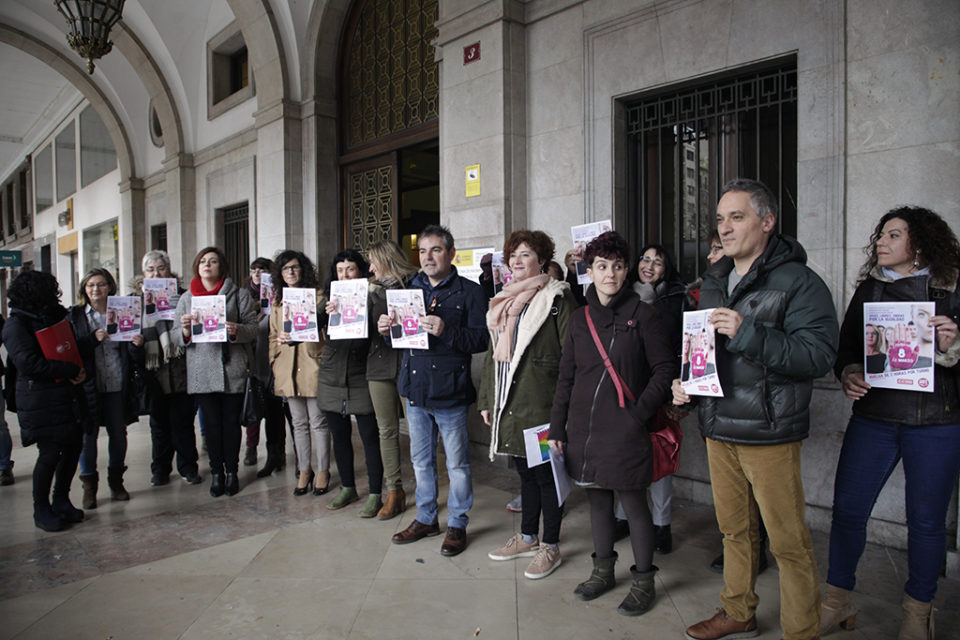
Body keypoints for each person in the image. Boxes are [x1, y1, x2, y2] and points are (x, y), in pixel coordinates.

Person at [672, 178, 838, 640]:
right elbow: (701, 351)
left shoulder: (799, 282)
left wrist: (748, 333)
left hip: (769, 431)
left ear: (767, 222)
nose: (725, 228)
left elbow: (819, 356)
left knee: (787, 542)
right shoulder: (715, 280)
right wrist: (686, 383)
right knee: (734, 532)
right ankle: (737, 610)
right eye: (720, 219)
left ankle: (801, 630)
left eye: (737, 217)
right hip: (718, 426)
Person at [821, 206, 960, 639]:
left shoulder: (952, 289)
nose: (880, 242)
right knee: (847, 512)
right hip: (875, 417)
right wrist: (847, 374)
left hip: (936, 421)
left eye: (893, 235)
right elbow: (844, 350)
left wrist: (955, 342)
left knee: (925, 522)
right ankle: (836, 602)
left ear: (919, 244)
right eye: (880, 234)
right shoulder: (870, 290)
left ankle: (918, 613)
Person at [548, 231, 674, 616]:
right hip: (584, 430)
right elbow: (566, 377)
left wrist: (638, 414)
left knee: (635, 506)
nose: (610, 275)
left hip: (627, 431)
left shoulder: (645, 315)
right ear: (590, 270)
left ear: (625, 270)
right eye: (602, 266)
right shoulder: (580, 319)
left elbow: (664, 370)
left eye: (618, 266)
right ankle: (603, 571)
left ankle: (643, 580)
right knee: (598, 502)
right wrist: (557, 429)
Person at [380, 224, 488, 556]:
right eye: (423, 251)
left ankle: (457, 522)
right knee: (420, 460)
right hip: (414, 387)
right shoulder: (408, 290)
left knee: (456, 463)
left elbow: (482, 340)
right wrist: (386, 330)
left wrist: (446, 329)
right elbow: (400, 340)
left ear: (451, 254)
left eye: (436, 250)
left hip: (450, 391)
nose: (428, 257)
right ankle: (426, 518)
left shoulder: (469, 292)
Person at [479, 230, 576, 580]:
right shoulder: (504, 301)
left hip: (542, 406)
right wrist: (488, 399)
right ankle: (527, 536)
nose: (517, 262)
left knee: (546, 477)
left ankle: (550, 544)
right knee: (524, 475)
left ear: (542, 260)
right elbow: (494, 356)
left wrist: (563, 415)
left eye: (526, 255)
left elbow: (571, 359)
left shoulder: (557, 299)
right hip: (510, 401)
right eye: (513, 256)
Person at [3, 271, 87, 530]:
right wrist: (70, 370)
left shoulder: (52, 316)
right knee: (49, 453)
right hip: (40, 400)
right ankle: (41, 509)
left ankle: (61, 499)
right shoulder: (15, 325)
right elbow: (30, 365)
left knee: (73, 448)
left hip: (66, 397)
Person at [174, 247, 258, 497]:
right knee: (210, 425)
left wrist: (236, 330)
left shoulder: (238, 294)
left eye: (213, 261)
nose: (207, 265)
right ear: (197, 267)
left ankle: (232, 471)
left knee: (231, 424)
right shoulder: (187, 298)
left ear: (222, 266)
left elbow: (253, 329)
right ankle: (216, 473)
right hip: (202, 369)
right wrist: (186, 331)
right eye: (203, 261)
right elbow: (176, 337)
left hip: (231, 367)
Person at [70, 268, 145, 508]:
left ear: (110, 287)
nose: (96, 290)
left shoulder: (124, 310)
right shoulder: (76, 316)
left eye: (101, 285)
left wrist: (137, 344)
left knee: (118, 433)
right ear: (84, 289)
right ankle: (89, 486)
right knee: (87, 436)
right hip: (88, 385)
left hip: (116, 381)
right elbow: (72, 349)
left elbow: (133, 356)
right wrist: (93, 339)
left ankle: (116, 482)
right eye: (91, 285)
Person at [631, 243, 688, 555]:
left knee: (660, 457)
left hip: (662, 389)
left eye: (658, 262)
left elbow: (684, 345)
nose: (650, 266)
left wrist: (679, 395)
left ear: (667, 268)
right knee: (625, 454)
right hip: (627, 388)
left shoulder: (676, 299)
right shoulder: (623, 294)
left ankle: (661, 524)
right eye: (645, 259)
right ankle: (623, 516)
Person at [318, 249, 384, 517]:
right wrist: (325, 311)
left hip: (361, 372)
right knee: (339, 435)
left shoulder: (373, 296)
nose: (345, 275)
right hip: (332, 373)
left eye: (350, 269)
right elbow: (310, 327)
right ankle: (347, 487)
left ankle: (376, 493)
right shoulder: (327, 299)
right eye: (340, 270)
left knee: (369, 435)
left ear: (361, 271)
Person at [132, 250, 201, 487]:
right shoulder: (135, 302)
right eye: (150, 269)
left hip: (181, 368)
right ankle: (160, 469)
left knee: (183, 423)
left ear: (170, 271)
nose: (156, 273)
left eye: (161, 268)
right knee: (158, 425)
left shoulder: (184, 297)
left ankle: (188, 467)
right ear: (143, 274)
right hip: (153, 371)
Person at [268, 250, 331, 496]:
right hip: (287, 366)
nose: (291, 272)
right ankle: (304, 469)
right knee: (298, 423)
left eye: (294, 267)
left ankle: (323, 469)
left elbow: (328, 333)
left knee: (318, 421)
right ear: (280, 274)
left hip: (313, 362)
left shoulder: (318, 297)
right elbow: (272, 335)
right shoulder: (278, 302)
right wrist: (274, 358)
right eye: (285, 269)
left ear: (303, 269)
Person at [366, 240, 418, 519]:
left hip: (410, 364)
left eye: (374, 262)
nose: (371, 268)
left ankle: (425, 488)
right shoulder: (369, 291)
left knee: (418, 427)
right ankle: (393, 491)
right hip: (379, 366)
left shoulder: (417, 284)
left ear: (387, 260)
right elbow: (360, 332)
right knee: (386, 429)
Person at [243, 257, 287, 477]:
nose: (258, 274)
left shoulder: (283, 295)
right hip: (261, 362)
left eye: (264, 270)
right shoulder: (246, 298)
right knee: (269, 411)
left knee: (288, 412)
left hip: (284, 360)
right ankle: (273, 456)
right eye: (255, 270)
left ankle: (294, 458)